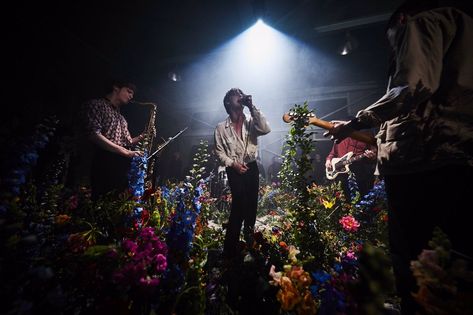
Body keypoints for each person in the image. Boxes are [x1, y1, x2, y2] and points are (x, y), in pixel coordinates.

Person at [324, 1, 473, 314]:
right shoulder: (462, 24)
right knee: (455, 261)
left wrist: (356, 122)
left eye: (393, 40)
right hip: (452, 153)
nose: (395, 47)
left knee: (412, 257)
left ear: (400, 21)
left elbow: (412, 87)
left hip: (421, 158)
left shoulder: (420, 21)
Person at [214, 88, 271, 260]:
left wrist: (252, 106)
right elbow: (219, 152)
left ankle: (249, 244)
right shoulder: (220, 128)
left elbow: (266, 129)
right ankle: (230, 249)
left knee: (252, 205)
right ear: (228, 102)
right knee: (239, 204)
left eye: (241, 93)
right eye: (236, 94)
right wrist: (233, 164)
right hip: (234, 168)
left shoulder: (251, 121)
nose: (240, 95)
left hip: (251, 166)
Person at [79, 79, 144, 200]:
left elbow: (128, 141)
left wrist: (143, 136)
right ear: (116, 88)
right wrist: (125, 152)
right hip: (97, 161)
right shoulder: (95, 104)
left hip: (116, 165)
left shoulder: (122, 118)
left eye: (132, 94)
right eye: (129, 91)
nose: (131, 96)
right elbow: (93, 134)